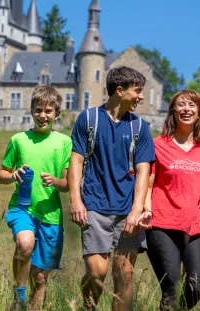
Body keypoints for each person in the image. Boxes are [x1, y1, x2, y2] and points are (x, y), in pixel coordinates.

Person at [69, 66, 155, 311]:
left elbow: (143, 172)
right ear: (120, 90)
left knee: (124, 275)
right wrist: (75, 200)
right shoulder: (89, 119)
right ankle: (88, 306)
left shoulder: (140, 127)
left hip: (128, 209)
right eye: (137, 91)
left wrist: (136, 211)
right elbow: (75, 161)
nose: (141, 97)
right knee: (98, 272)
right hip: (95, 205)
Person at [142, 89, 200, 310]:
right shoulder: (158, 145)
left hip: (193, 227)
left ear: (199, 113)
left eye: (192, 105)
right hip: (160, 224)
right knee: (171, 285)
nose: (186, 109)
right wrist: (145, 209)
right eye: (181, 104)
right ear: (173, 111)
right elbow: (146, 184)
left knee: (197, 285)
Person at [0, 86, 72, 311]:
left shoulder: (64, 142)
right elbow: (1, 175)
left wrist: (55, 181)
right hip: (22, 208)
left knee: (40, 279)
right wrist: (13, 175)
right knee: (25, 242)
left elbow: (68, 184)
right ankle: (18, 298)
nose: (43, 115)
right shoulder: (19, 139)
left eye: (48, 111)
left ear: (57, 114)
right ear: (31, 110)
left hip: (51, 215)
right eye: (38, 110)